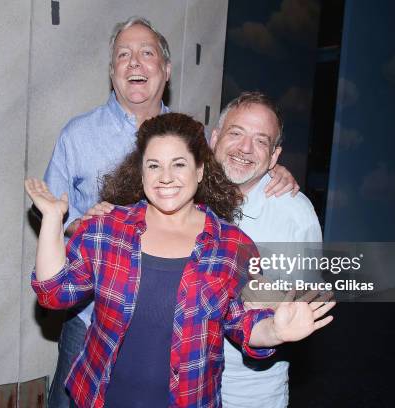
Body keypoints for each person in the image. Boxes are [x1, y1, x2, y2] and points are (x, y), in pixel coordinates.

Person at [43, 16, 299, 407]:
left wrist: (270, 170)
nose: (134, 63)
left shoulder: (188, 133)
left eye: (146, 53)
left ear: (165, 70)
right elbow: (55, 243)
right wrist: (87, 226)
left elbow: (236, 158)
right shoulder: (77, 136)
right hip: (91, 312)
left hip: (185, 335)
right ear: (111, 71)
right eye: (123, 55)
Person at [27, 113, 335, 408]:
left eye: (179, 164)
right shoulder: (107, 228)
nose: (165, 178)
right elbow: (54, 293)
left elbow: (244, 324)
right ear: (141, 171)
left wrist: (275, 331)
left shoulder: (232, 246)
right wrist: (53, 219)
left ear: (200, 170)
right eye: (153, 165)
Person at [210, 92, 323, 407]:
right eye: (236, 133)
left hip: (249, 390)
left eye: (261, 141)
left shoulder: (295, 214)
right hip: (180, 382)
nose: (245, 148)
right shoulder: (186, 193)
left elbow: (308, 304)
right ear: (215, 138)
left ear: (274, 157)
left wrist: (257, 291)